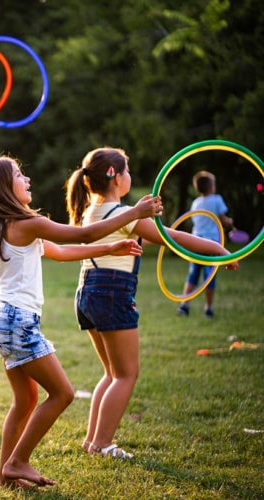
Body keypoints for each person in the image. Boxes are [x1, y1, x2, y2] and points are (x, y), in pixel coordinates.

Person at [0, 155, 161, 488]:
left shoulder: (3, 225)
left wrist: (110, 249)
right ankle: (18, 463)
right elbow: (82, 235)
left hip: (1, 320)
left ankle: (3, 477)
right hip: (17, 321)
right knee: (62, 394)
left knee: (24, 401)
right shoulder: (26, 223)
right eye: (18, 175)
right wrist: (133, 214)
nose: (26, 179)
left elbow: (60, 251)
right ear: (2, 188)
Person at [64, 147, 238, 460]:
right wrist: (216, 248)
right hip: (111, 293)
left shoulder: (92, 210)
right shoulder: (123, 215)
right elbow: (171, 238)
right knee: (125, 374)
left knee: (111, 372)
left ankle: (94, 441)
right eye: (127, 171)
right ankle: (103, 444)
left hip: (87, 291)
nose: (130, 176)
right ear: (115, 177)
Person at [177, 170, 233, 318]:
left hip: (195, 243)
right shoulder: (217, 200)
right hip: (210, 244)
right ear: (211, 186)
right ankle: (208, 308)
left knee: (192, 275)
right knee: (209, 276)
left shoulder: (196, 203)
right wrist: (229, 222)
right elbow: (222, 218)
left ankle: (184, 305)